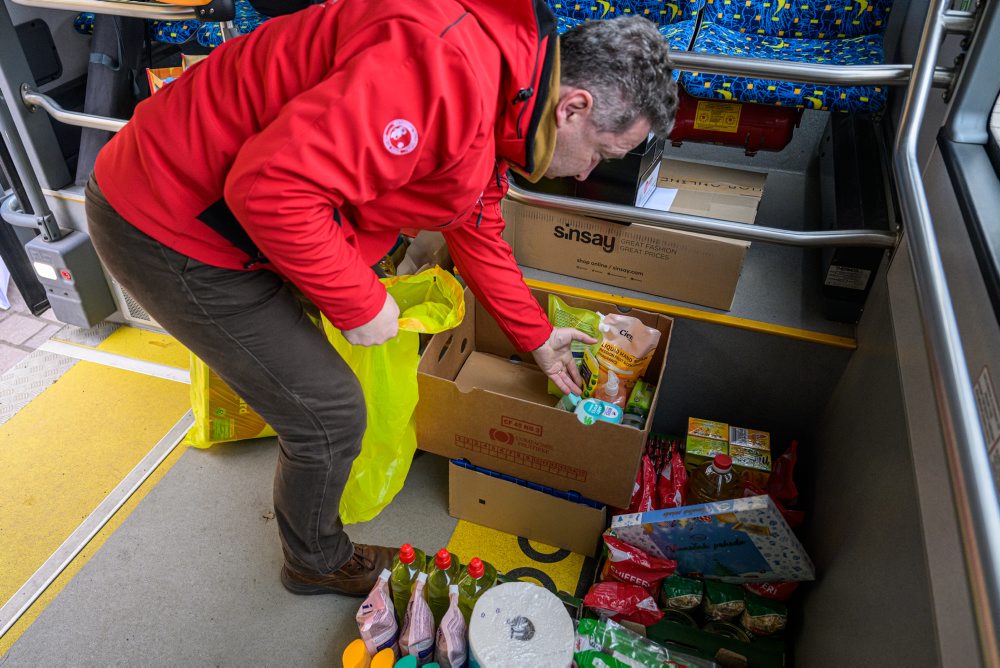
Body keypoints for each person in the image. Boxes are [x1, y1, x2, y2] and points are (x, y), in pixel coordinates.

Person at [85, 0, 678, 597]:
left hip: (223, 210)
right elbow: (272, 191)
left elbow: (475, 220)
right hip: (167, 220)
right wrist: (361, 302)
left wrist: (538, 336)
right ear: (574, 106)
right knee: (328, 413)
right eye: (602, 154)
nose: (584, 173)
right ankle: (314, 562)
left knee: (311, 380)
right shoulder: (441, 70)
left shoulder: (508, 81)